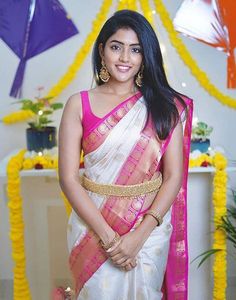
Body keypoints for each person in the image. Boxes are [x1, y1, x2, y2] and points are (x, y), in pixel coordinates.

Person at [58, 9, 193, 300]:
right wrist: (110, 239)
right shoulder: (78, 104)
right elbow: (68, 178)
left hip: (148, 231)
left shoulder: (165, 107)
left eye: (135, 50)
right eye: (116, 46)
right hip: (93, 227)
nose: (124, 57)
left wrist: (139, 236)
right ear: (102, 50)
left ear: (146, 57)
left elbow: (173, 177)